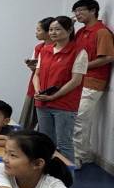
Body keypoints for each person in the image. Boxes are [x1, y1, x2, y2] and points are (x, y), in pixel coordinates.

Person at [33, 16, 88, 163]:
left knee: (64, 144)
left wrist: (53, 96)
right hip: (42, 102)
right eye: (51, 29)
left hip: (64, 105)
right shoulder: (45, 50)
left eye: (57, 29)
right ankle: (48, 173)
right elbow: (36, 75)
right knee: (46, 142)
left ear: (69, 30)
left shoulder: (79, 52)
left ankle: (67, 175)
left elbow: (76, 81)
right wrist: (38, 91)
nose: (53, 32)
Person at [71, 0, 114, 168]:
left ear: (93, 10)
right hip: (78, 80)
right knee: (77, 118)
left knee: (79, 119)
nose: (77, 14)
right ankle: (85, 154)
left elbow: (108, 57)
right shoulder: (80, 32)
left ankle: (76, 157)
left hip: (93, 81)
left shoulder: (101, 32)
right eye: (75, 11)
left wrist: (81, 66)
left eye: (81, 10)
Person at [20, 17, 54, 130]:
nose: (36, 32)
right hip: (34, 88)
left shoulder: (58, 48)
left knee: (46, 126)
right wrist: (32, 65)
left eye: (39, 30)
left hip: (50, 89)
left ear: (48, 32)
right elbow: (35, 71)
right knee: (26, 122)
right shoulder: (39, 47)